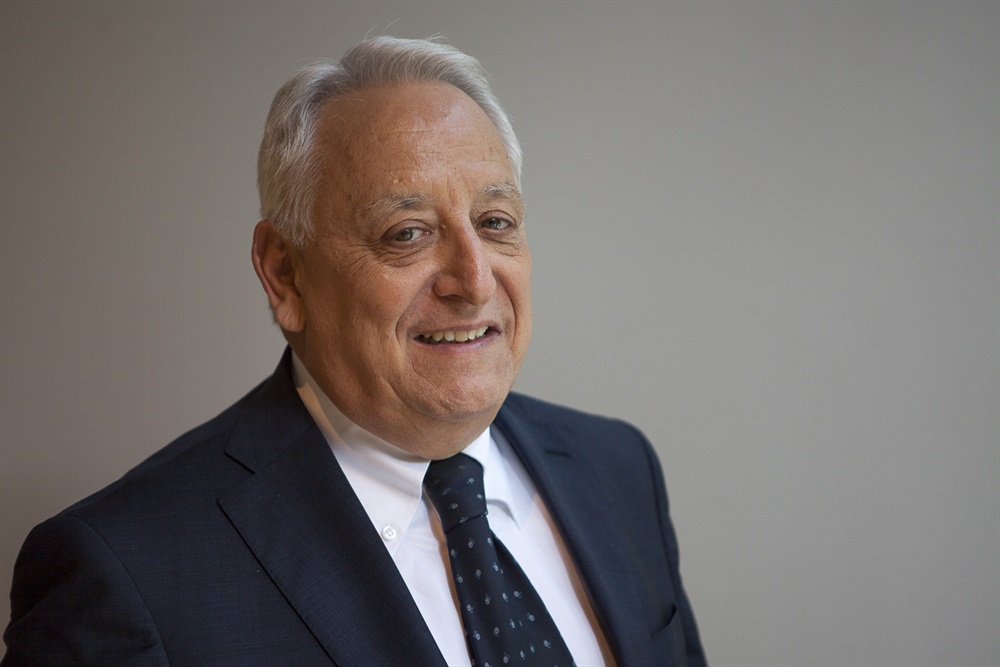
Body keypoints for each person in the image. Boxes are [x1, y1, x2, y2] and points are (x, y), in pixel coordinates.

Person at [2, 37, 705, 667]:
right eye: (407, 233)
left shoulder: (619, 469)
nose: (474, 281)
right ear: (285, 273)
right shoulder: (127, 572)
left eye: (495, 222)